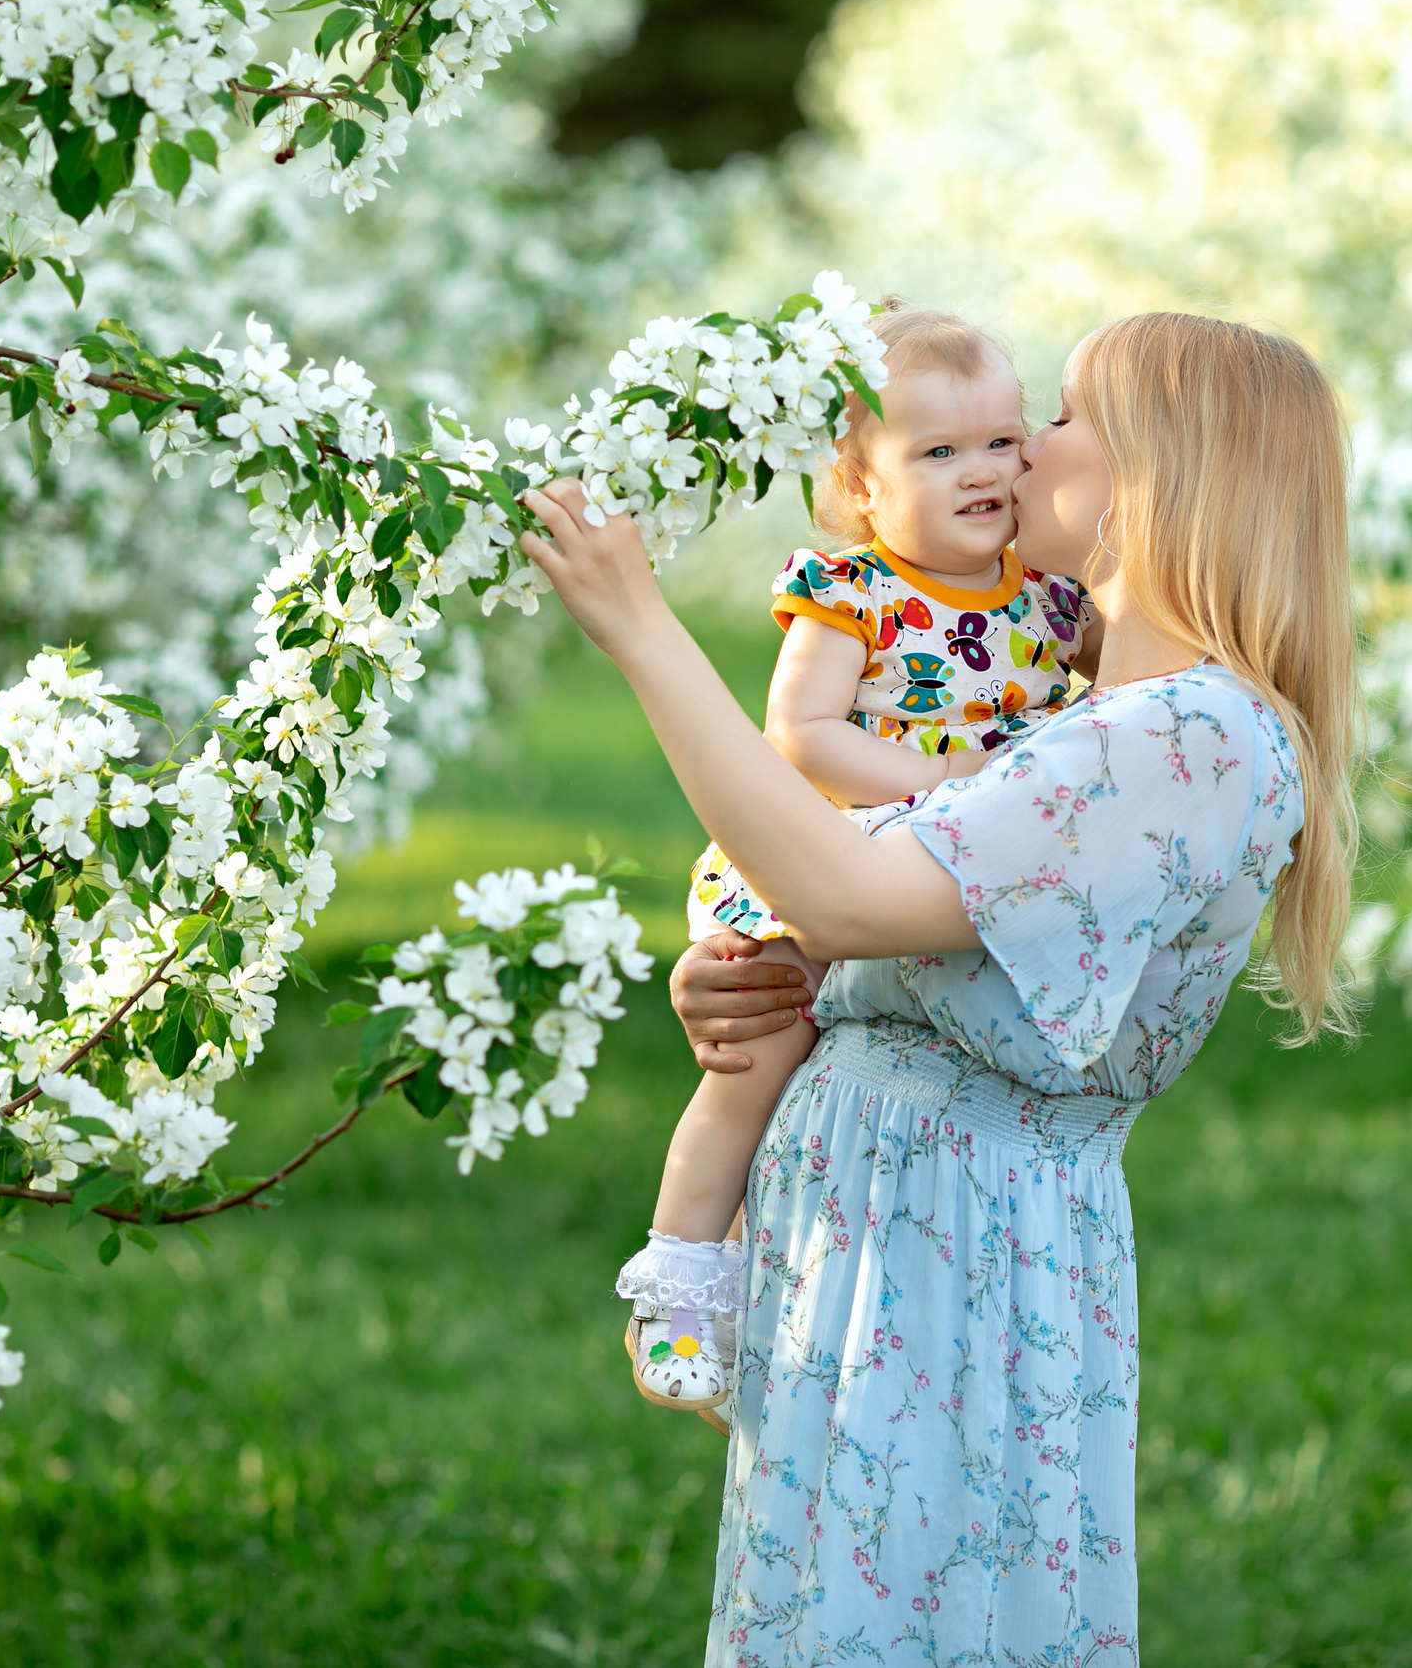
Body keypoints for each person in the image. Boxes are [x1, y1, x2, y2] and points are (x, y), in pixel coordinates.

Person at [521, 311, 1357, 1664]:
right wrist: (762, 973)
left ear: (1163, 477)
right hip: (886, 1231)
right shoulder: (1071, 716)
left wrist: (640, 628)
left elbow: (857, 896)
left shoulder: (1191, 731)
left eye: (1066, 417)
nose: (1025, 442)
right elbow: (869, 911)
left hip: (949, 1262)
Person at [614, 303, 1094, 1420]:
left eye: (1002, 439)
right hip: (812, 869)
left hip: (932, 894)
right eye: (937, 452)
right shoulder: (853, 592)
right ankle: (682, 1286)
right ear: (862, 487)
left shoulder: (1050, 601)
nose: (983, 471)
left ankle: (789, 1304)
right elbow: (803, 736)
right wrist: (952, 788)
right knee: (753, 1067)